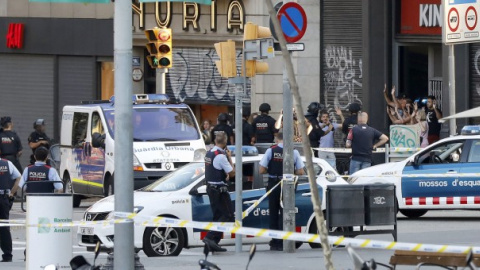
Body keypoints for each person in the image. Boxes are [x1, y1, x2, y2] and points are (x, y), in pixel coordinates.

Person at [259, 132, 305, 251]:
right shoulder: (294, 151)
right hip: (288, 185)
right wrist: (289, 172)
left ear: (277, 139)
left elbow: (261, 169)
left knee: (273, 213)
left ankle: (275, 241)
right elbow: (301, 172)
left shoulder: (271, 151)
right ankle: (286, 240)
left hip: (274, 184)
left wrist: (273, 170)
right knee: (286, 212)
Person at [203, 131, 235, 253]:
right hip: (219, 190)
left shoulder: (209, 153)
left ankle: (212, 244)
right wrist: (230, 157)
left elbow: (213, 169)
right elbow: (232, 173)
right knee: (227, 215)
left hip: (211, 187)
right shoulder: (221, 156)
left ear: (215, 141)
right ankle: (210, 237)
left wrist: (222, 175)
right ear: (225, 142)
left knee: (217, 216)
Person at [0, 158, 21, 262]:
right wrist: (12, 193)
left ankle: (7, 255)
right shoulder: (7, 163)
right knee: (4, 227)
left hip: (3, 197)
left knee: (4, 227)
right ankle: (7, 255)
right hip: (3, 198)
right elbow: (18, 178)